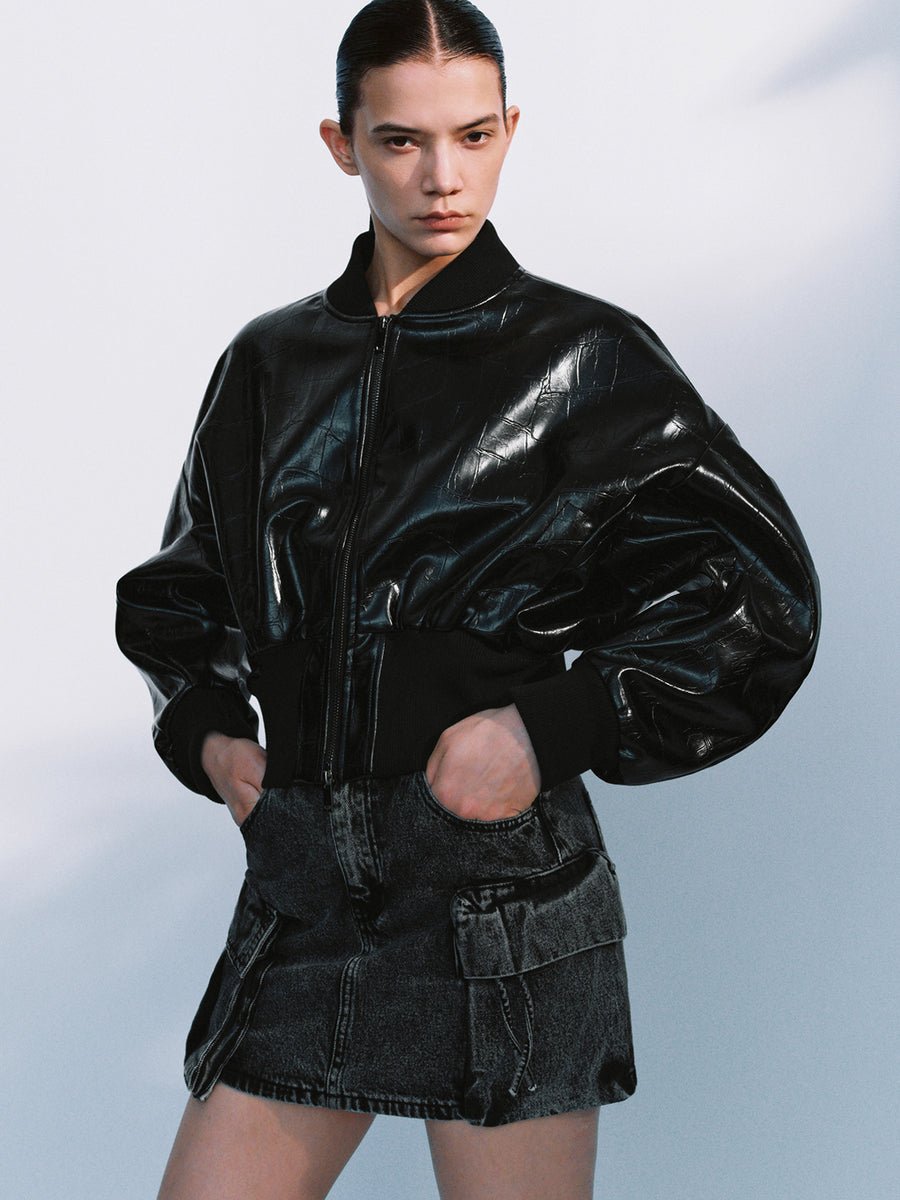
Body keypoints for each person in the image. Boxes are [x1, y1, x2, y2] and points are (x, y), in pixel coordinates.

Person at [114, 2, 821, 1197]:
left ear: (510, 129)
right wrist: (215, 742)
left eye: (475, 135)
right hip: (302, 892)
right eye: (402, 141)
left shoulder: (583, 357)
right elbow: (183, 594)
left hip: (499, 889)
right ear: (342, 143)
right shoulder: (270, 364)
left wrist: (550, 728)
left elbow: (756, 597)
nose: (444, 177)